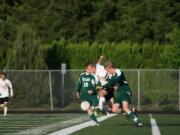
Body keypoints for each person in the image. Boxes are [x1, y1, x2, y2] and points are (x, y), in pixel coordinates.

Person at [102, 61, 143, 127]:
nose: (107, 72)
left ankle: (138, 122)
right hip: (119, 92)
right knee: (114, 109)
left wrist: (103, 86)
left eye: (106, 70)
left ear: (110, 67)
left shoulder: (118, 71)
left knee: (125, 107)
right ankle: (132, 111)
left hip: (125, 91)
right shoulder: (110, 75)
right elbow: (111, 84)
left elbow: (115, 80)